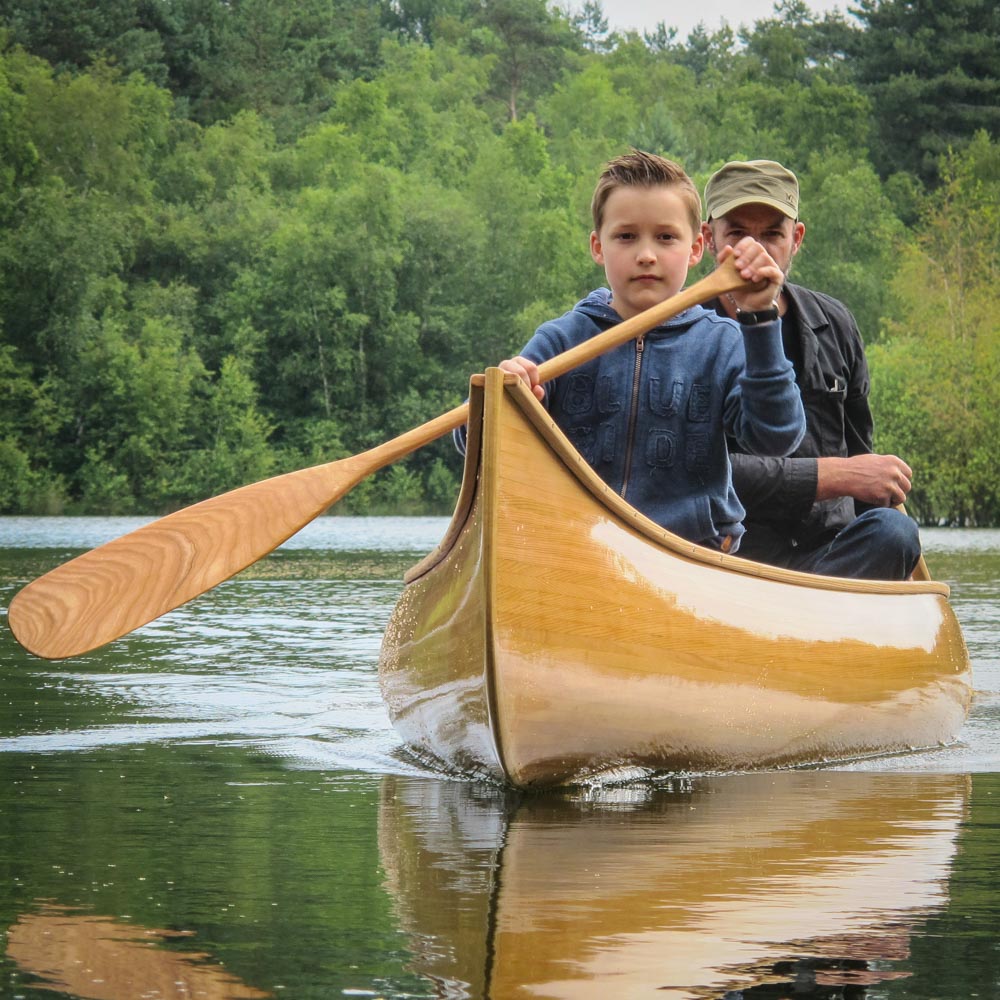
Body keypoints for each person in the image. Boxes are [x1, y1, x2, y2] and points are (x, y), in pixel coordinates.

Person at [465, 149, 805, 554]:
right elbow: (477, 445)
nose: (646, 254)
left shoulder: (724, 343)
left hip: (691, 553)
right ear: (597, 246)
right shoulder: (561, 339)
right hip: (575, 547)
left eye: (666, 237)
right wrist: (502, 398)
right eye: (626, 236)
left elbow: (777, 438)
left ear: (697, 248)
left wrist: (762, 320)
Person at [701, 158, 921, 579]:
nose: (754, 251)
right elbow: (699, 472)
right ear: (709, 239)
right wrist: (836, 476)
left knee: (895, 532)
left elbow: (862, 455)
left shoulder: (835, 322)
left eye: (771, 234)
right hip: (724, 556)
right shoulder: (687, 329)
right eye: (737, 233)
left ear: (796, 239)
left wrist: (898, 566)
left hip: (828, 556)